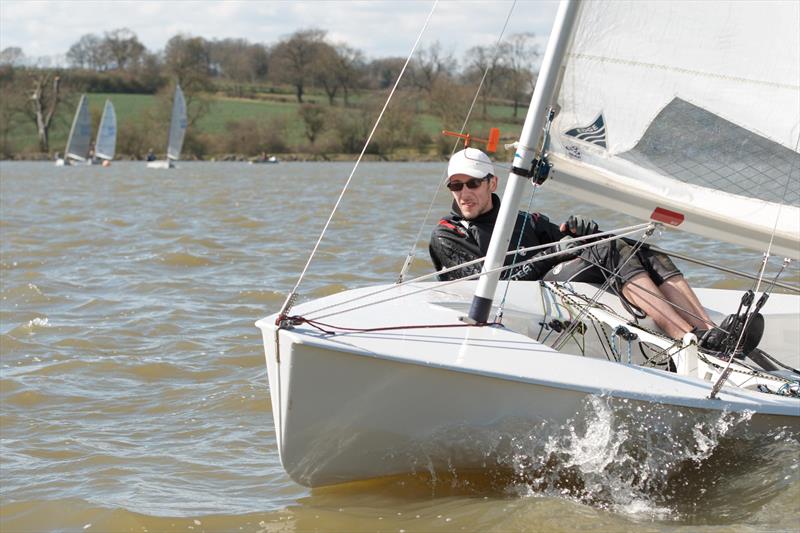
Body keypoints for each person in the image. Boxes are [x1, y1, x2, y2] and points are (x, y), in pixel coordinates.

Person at [429, 148, 756, 350]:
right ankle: (688, 340)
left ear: (492, 183)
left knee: (635, 247)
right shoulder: (448, 235)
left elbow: (578, 245)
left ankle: (711, 331)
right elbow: (488, 288)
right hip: (512, 308)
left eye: (472, 183)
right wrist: (558, 252)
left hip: (548, 296)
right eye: (455, 186)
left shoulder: (527, 219)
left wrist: (584, 232)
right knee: (607, 251)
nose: (464, 193)